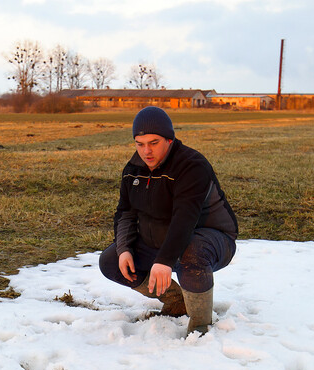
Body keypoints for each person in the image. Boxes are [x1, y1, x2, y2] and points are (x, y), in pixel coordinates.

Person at [99, 106, 238, 335]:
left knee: (192, 253)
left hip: (212, 238)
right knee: (111, 261)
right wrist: (124, 249)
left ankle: (200, 327)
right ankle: (177, 301)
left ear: (170, 140)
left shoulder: (192, 165)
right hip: (164, 241)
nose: (146, 151)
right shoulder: (133, 170)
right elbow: (125, 213)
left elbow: (185, 217)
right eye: (139, 143)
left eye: (154, 143)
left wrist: (164, 259)